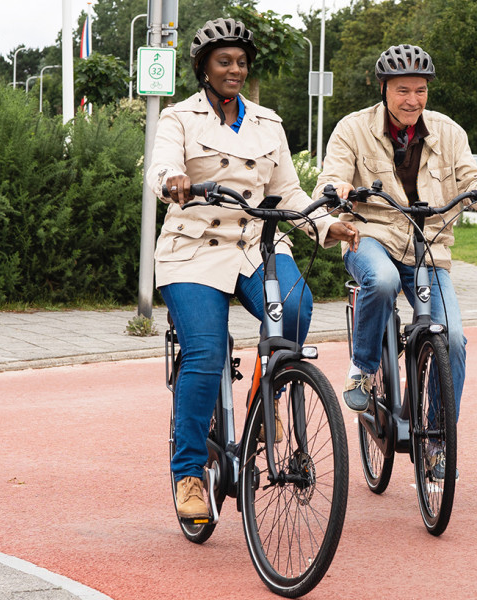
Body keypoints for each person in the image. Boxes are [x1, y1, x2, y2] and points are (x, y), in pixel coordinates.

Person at [147, 17, 360, 523]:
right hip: (193, 248)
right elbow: (157, 168)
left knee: (297, 307)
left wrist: (327, 226)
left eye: (241, 62)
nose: (235, 70)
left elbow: (289, 193)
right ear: (203, 67)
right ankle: (190, 473)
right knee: (205, 349)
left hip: (253, 244)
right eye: (224, 61)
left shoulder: (268, 123)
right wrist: (173, 181)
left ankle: (266, 405)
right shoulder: (179, 119)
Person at [314, 44, 477, 478]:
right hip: (372, 236)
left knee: (452, 338)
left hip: (429, 246)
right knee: (379, 281)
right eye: (403, 90)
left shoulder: (449, 132)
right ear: (383, 89)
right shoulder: (352, 128)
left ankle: (437, 440)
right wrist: (338, 189)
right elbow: (331, 177)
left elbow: (471, 177)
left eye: (421, 91)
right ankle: (363, 370)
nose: (413, 100)